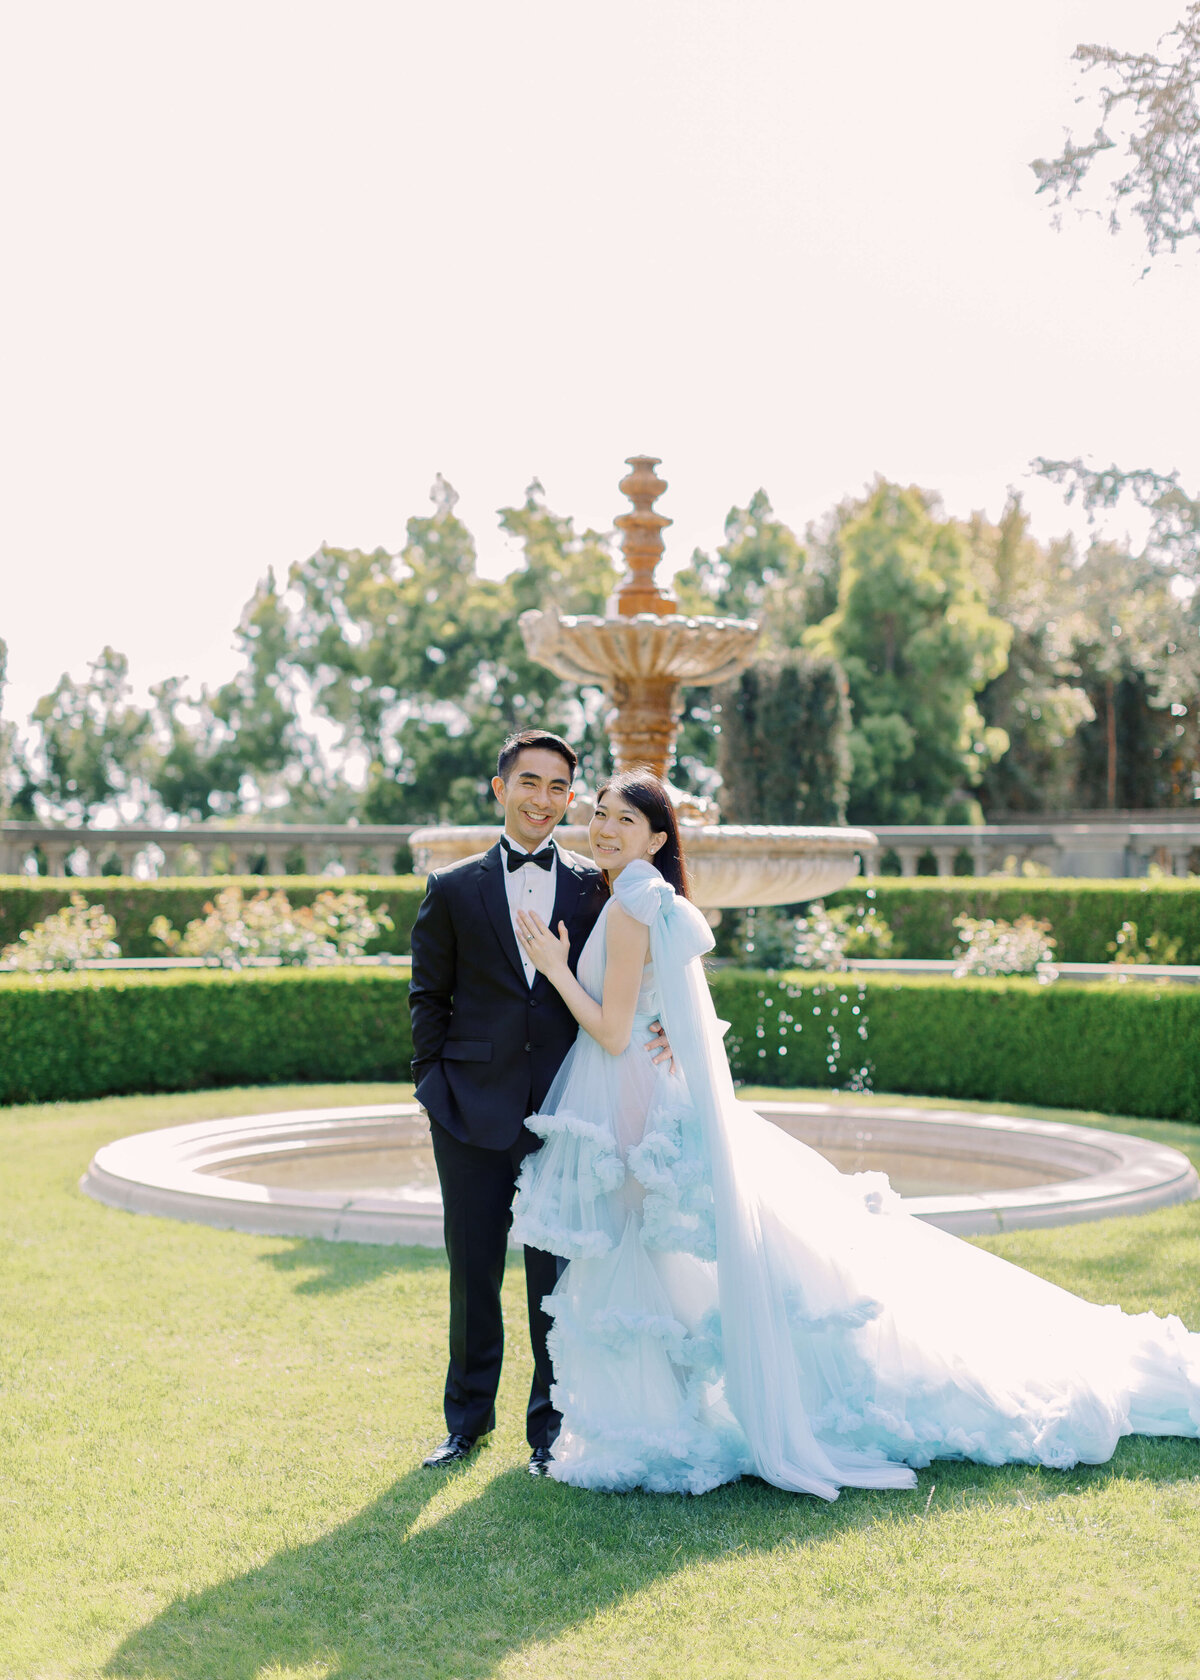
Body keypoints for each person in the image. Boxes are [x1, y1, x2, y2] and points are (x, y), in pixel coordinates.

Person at [511, 768, 1200, 1497]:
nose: (604, 828)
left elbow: (616, 1032)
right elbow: (664, 1015)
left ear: (656, 836)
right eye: (600, 814)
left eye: (623, 820)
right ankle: (667, 1417)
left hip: (633, 1102)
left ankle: (659, 1425)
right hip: (651, 1100)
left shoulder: (630, 907)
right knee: (666, 1261)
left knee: (642, 1262)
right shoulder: (649, 897)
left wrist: (555, 968)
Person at [408, 730, 670, 1476]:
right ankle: (466, 1424)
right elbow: (428, 995)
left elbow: (643, 974)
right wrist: (435, 1087)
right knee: (474, 1269)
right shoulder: (453, 887)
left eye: (560, 788)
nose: (544, 800)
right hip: (468, 1109)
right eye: (530, 783)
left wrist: (669, 1035)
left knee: (558, 1277)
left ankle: (550, 1431)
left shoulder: (601, 884)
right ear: (501, 789)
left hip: (568, 1107)